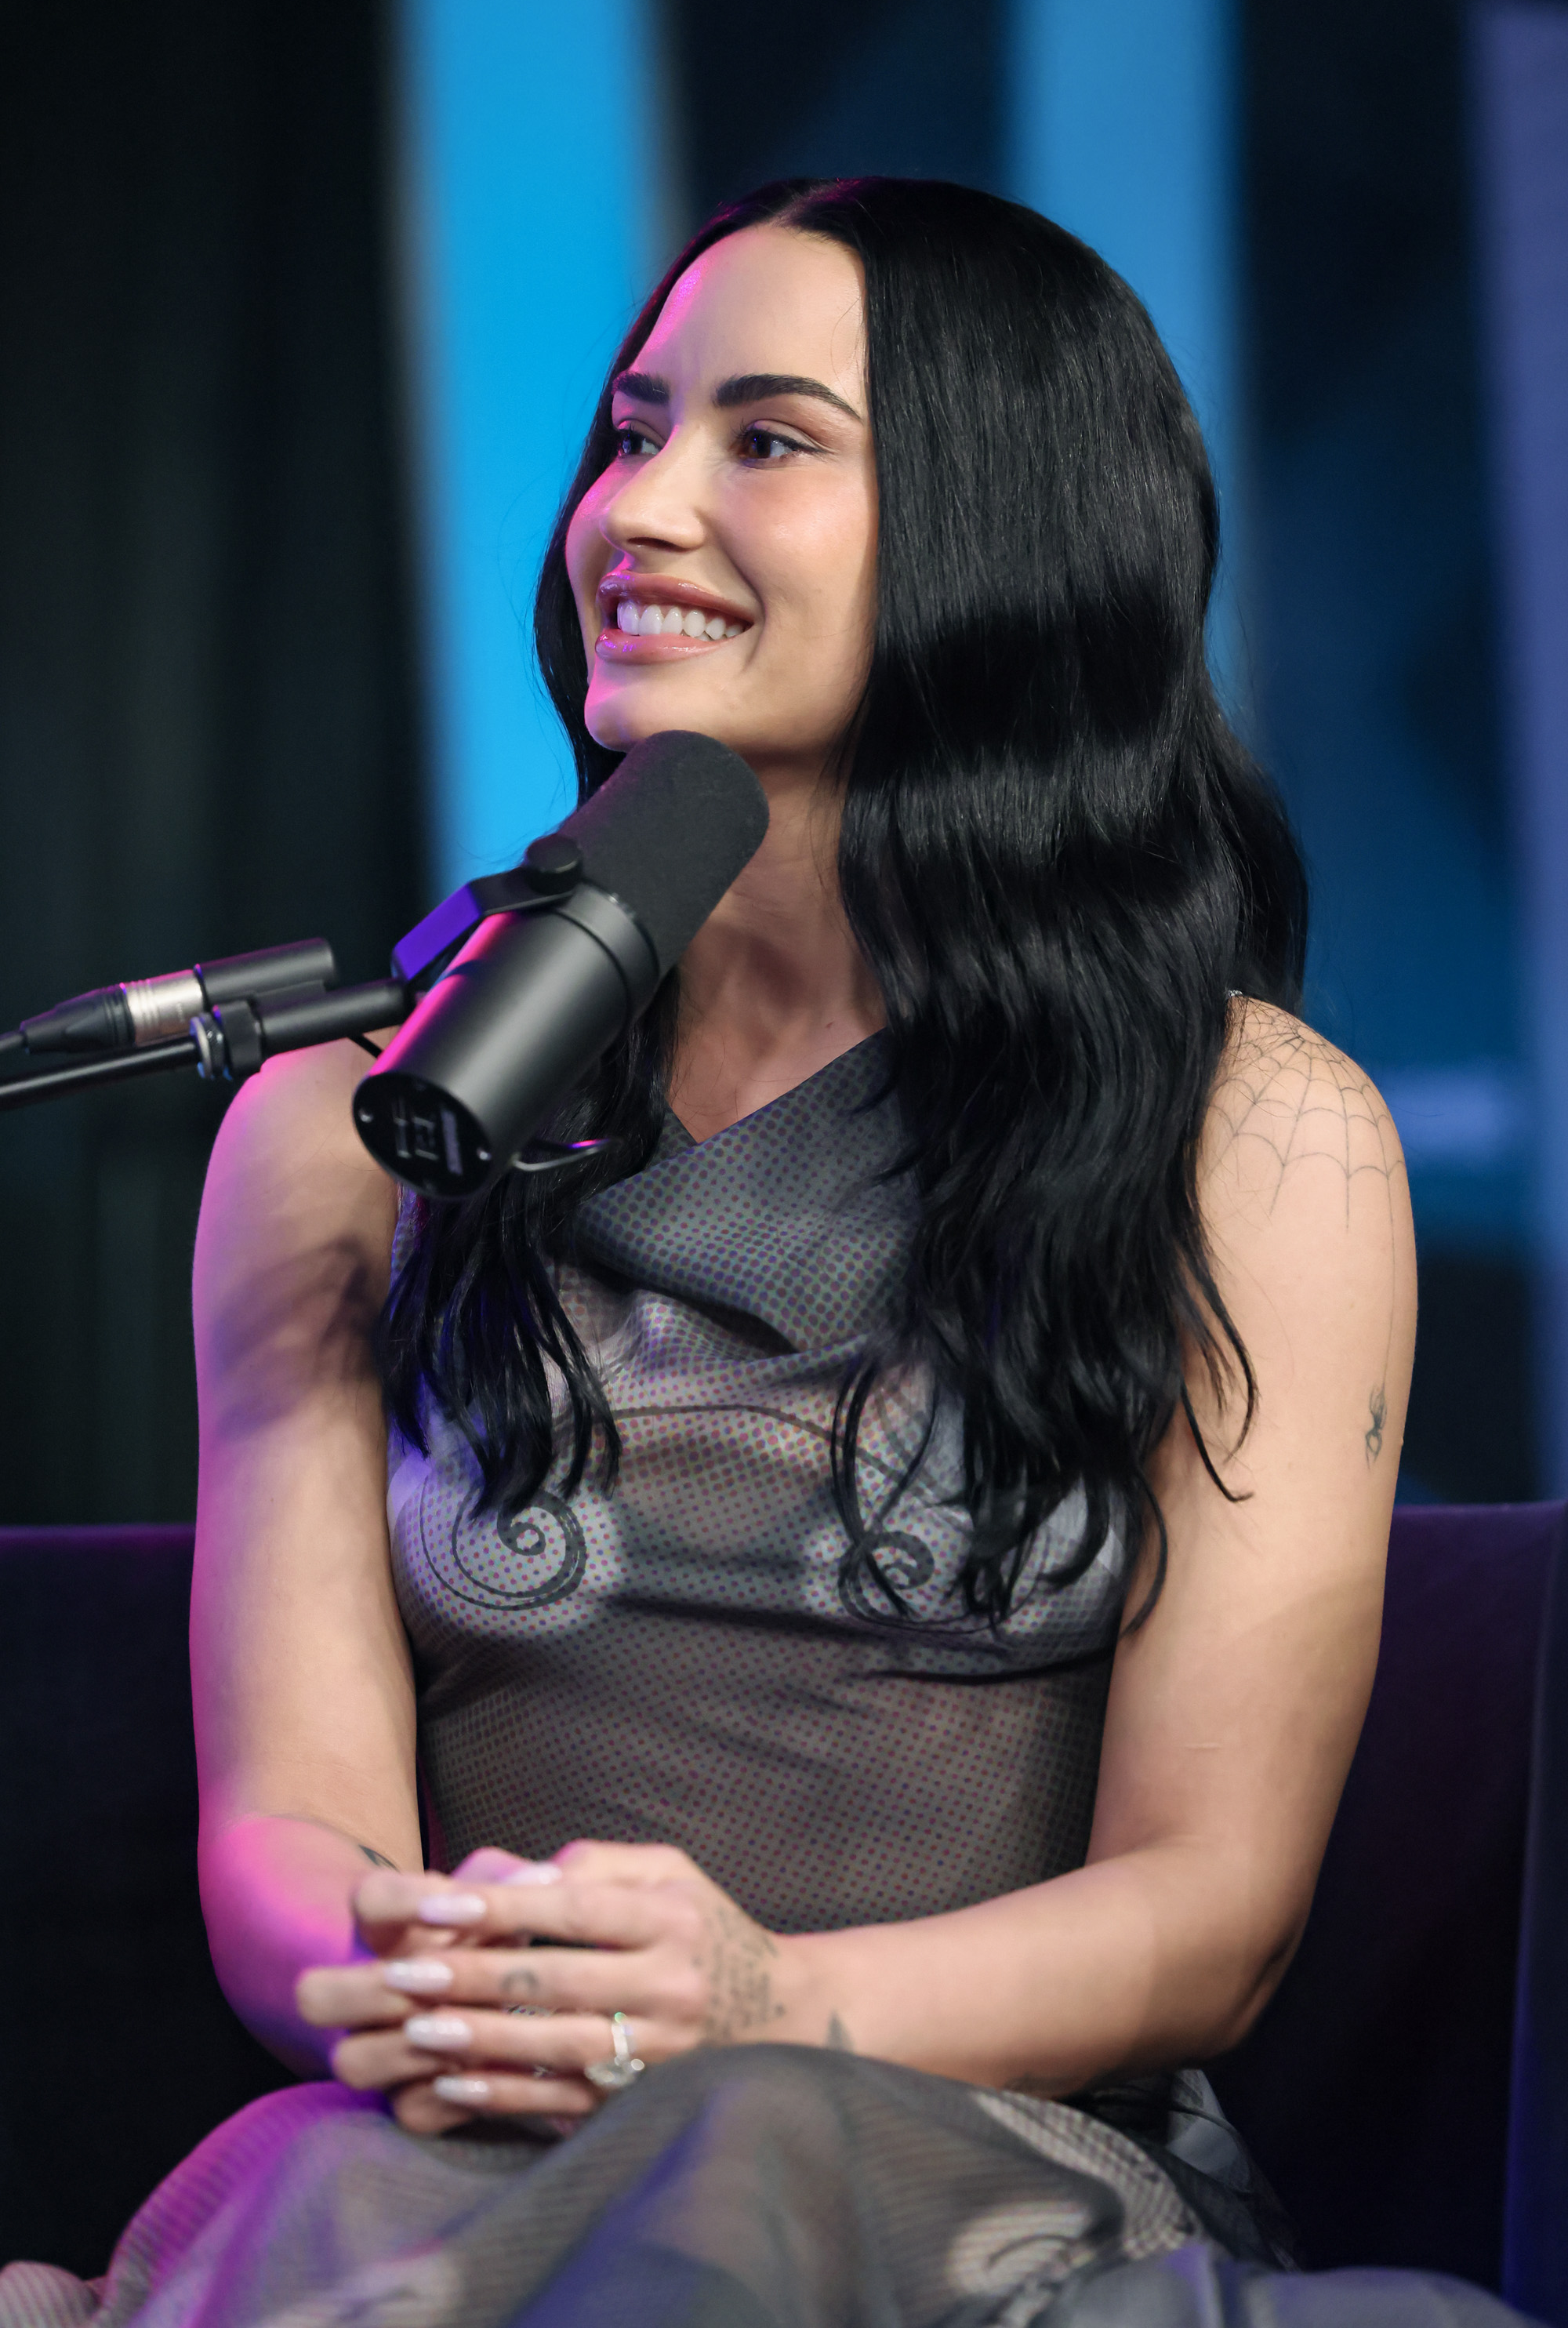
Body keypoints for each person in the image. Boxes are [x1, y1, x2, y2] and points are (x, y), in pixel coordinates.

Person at [0, 176, 1519, 2328]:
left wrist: (753, 1999)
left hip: (954, 2175)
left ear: (1004, 532)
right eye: (631, 434)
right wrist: (481, 1988)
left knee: (742, 2177)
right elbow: (289, 1852)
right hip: (453, 2148)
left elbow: (1215, 1910)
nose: (641, 510)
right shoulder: (341, 1140)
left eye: (768, 441)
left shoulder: (1256, 1140)